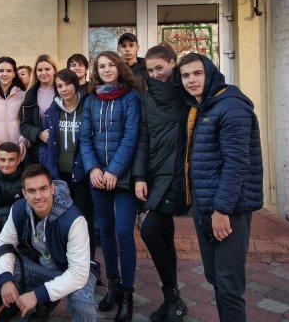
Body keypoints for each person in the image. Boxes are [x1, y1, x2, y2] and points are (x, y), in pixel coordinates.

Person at [178, 53, 263, 322]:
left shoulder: (231, 107)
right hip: (206, 207)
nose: (191, 80)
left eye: (197, 73)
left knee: (228, 283)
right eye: (185, 75)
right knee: (215, 276)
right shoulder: (204, 106)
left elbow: (237, 164)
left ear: (211, 73)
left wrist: (222, 211)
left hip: (228, 210)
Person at [0, 164, 97, 321]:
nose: (38, 196)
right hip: (40, 268)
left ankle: (43, 297)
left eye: (43, 189)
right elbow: (3, 244)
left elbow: (78, 273)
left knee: (83, 306)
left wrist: (38, 295)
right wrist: (6, 280)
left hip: (72, 271)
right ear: (24, 193)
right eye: (31, 191)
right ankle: (42, 301)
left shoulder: (74, 220)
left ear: (52, 189)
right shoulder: (18, 209)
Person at [80, 50, 140, 322]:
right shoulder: (91, 100)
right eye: (101, 66)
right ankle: (113, 286)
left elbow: (131, 137)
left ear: (119, 68)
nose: (106, 69)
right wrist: (93, 168)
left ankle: (127, 294)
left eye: (111, 65)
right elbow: (85, 137)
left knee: (124, 231)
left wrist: (114, 170)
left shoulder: (131, 98)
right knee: (104, 230)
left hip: (123, 177)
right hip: (97, 176)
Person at [132, 44, 190, 322]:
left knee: (150, 231)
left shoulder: (185, 92)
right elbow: (143, 138)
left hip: (177, 174)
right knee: (164, 235)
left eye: (160, 68)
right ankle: (173, 301)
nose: (155, 74)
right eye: (150, 70)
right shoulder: (146, 96)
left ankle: (173, 299)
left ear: (172, 63)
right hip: (155, 174)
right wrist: (140, 176)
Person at [39, 69, 96, 264]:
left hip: (81, 175)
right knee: (60, 218)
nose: (64, 89)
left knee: (83, 219)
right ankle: (63, 261)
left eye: (67, 84)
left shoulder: (88, 106)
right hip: (58, 174)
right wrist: (46, 160)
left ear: (76, 84)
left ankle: (87, 263)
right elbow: (46, 141)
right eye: (59, 86)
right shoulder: (53, 110)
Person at [20, 54, 57, 166]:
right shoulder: (30, 95)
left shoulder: (62, 91)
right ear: (35, 72)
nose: (43, 73)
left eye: (47, 69)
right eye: (39, 70)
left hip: (61, 149)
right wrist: (39, 134)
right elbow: (24, 126)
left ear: (54, 70)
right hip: (37, 151)